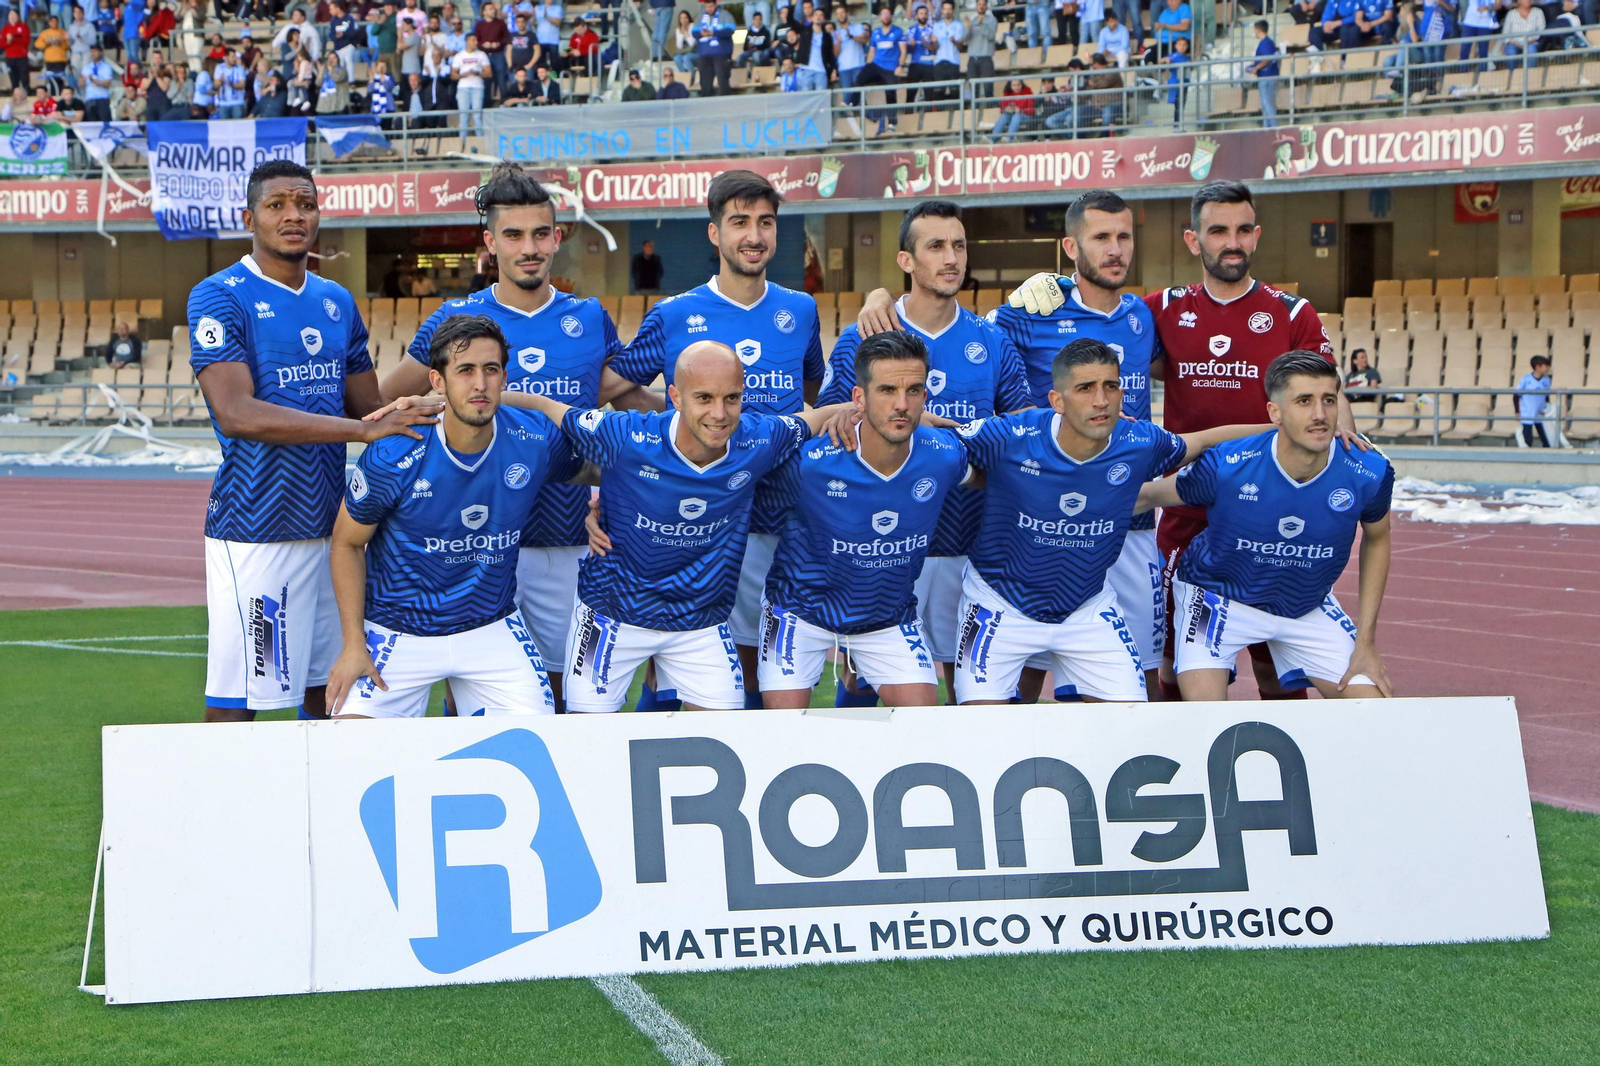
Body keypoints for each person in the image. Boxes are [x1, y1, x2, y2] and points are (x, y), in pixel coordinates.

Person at [1001, 180, 1355, 704]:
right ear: (1194, 241)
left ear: (1256, 237)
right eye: (1217, 231)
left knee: (1274, 653)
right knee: (1161, 653)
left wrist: (1344, 442)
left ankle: (1279, 774)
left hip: (1267, 501)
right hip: (1179, 502)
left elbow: (1329, 391)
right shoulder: (1158, 309)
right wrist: (1049, 282)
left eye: (1241, 231)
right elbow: (1050, 313)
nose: (1231, 242)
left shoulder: (1289, 312)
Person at [373, 164, 658, 710]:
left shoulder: (588, 316)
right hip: (470, 546)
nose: (529, 248)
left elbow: (625, 411)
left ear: (557, 237)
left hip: (564, 540)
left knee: (553, 698)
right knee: (468, 700)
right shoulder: (455, 317)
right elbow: (389, 409)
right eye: (513, 235)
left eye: (540, 234)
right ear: (490, 243)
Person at [186, 160, 439, 723]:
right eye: (277, 205)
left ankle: (323, 811)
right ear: (249, 217)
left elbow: (365, 407)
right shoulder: (219, 296)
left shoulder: (336, 301)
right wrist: (365, 429)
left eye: (304, 203)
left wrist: (435, 402)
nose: (293, 215)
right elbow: (237, 414)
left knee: (331, 692)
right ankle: (230, 810)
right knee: (242, 702)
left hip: (333, 532)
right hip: (258, 531)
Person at [515, 342, 846, 713]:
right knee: (588, 737)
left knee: (725, 737)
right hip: (613, 615)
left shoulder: (759, 439)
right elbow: (550, 408)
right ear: (675, 396)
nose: (719, 413)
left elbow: (812, 420)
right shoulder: (624, 434)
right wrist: (482, 401)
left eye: (731, 398)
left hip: (700, 622)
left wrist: (857, 410)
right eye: (704, 397)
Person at [610, 170, 827, 710]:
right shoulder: (675, 314)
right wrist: (667, 424)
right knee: (674, 677)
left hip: (784, 523)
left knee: (754, 680)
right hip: (697, 528)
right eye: (739, 223)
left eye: (765, 223)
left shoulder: (799, 310)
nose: (753, 236)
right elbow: (608, 388)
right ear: (714, 233)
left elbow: (809, 399)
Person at [952, 339, 1263, 705]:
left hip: (1087, 607)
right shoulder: (1008, 436)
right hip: (997, 603)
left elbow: (1203, 442)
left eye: (1110, 386)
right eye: (1085, 388)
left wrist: (1285, 429)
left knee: (1131, 724)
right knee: (977, 727)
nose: (1101, 400)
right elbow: (932, 446)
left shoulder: (1139, 442)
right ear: (1057, 401)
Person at [822, 201, 1031, 700]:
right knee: (868, 684)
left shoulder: (992, 340)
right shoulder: (863, 337)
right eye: (935, 246)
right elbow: (828, 428)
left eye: (958, 245)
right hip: (883, 544)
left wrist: (966, 436)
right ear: (906, 261)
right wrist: (913, 427)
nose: (951, 258)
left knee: (974, 684)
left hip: (971, 543)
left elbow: (1022, 429)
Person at [328, 315, 580, 718]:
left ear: (503, 377)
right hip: (398, 628)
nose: (480, 384)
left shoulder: (532, 438)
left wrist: (601, 505)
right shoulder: (395, 452)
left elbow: (599, 470)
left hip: (488, 625)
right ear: (437, 381)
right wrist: (354, 644)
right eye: (465, 371)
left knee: (540, 738)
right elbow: (347, 543)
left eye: (490, 370)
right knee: (350, 747)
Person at [973, 191, 1165, 699]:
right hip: (1043, 523)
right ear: (1071, 247)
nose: (1115, 249)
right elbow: (956, 338)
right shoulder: (1029, 313)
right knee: (1027, 676)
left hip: (1131, 519)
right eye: (1100, 237)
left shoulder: (1142, 317)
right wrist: (885, 298)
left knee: (1140, 677)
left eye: (1123, 236)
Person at [1147, 350, 1396, 701]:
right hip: (1216, 597)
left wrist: (1366, 642)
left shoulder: (1369, 470)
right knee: (1204, 715)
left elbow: (1378, 539)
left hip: (1304, 605)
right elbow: (1147, 497)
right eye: (1304, 401)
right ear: (1274, 412)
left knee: (1376, 708)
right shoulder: (1230, 463)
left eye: (1328, 400)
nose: (1320, 414)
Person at [755, 331, 967, 709]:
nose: (901, 405)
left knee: (925, 727)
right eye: (887, 390)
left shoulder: (946, 454)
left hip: (889, 618)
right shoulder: (809, 461)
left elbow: (1014, 466)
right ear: (858, 398)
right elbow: (729, 476)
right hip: (800, 611)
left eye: (914, 391)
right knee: (782, 731)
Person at [858, 4, 906, 133]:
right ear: (880, 17)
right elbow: (872, 52)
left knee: (891, 93)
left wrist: (900, 66)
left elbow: (903, 50)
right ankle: (855, 105)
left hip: (891, 67)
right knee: (860, 78)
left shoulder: (898, 31)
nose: (885, 16)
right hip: (876, 65)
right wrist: (868, 66)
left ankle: (891, 122)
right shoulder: (876, 33)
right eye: (883, 14)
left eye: (888, 14)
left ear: (891, 17)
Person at [1074, 51, 1122, 135]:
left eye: (1092, 65)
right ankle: (1080, 137)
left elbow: (1105, 83)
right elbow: (1089, 88)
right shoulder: (1094, 75)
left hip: (1115, 105)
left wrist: (1093, 83)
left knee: (1108, 110)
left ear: (1098, 63)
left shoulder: (1112, 71)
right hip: (1097, 107)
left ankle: (1104, 136)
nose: (1091, 67)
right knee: (1078, 111)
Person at [451, 32, 487, 138]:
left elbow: (489, 72)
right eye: (473, 40)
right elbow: (453, 74)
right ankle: (462, 141)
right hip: (463, 87)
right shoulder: (459, 56)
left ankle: (480, 139)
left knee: (477, 114)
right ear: (467, 42)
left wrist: (477, 73)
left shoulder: (481, 55)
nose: (476, 42)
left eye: (476, 40)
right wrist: (462, 75)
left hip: (477, 87)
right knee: (464, 115)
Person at [695, 0, 734, 95]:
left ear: (715, 5)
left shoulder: (725, 15)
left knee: (722, 80)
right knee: (705, 82)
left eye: (711, 6)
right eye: (707, 7)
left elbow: (731, 29)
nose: (709, 9)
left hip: (721, 53)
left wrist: (714, 33)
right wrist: (701, 33)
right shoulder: (700, 17)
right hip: (704, 54)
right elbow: (694, 32)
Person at [1516, 354, 1553, 446]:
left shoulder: (1547, 380)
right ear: (1538, 367)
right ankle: (1527, 457)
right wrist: (1517, 411)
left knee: (1545, 437)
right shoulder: (1525, 379)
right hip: (1528, 412)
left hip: (1540, 412)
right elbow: (1516, 395)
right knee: (1528, 439)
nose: (1548, 368)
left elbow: (1546, 395)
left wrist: (1547, 408)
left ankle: (1547, 457)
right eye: (1546, 366)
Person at [795, 6, 834, 92]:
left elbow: (830, 55)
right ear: (812, 17)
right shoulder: (805, 31)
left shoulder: (827, 36)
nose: (818, 17)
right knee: (806, 98)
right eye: (816, 15)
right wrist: (793, 5)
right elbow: (791, 21)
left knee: (821, 98)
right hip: (806, 69)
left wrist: (833, 69)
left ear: (824, 19)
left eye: (821, 15)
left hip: (821, 70)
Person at [964, 0, 997, 100]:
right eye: (979, 4)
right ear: (976, 6)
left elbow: (991, 36)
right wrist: (969, 28)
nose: (981, 6)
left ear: (986, 7)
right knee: (973, 89)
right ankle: (975, 112)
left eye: (983, 4)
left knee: (988, 88)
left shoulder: (992, 20)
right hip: (972, 58)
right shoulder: (972, 20)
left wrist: (982, 24)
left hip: (986, 58)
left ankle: (990, 111)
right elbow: (965, 39)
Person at [832, 3, 866, 97]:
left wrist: (851, 36)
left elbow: (864, 40)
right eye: (838, 14)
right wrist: (838, 42)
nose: (840, 15)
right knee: (847, 96)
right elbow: (835, 53)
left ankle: (861, 112)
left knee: (860, 96)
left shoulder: (858, 27)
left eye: (842, 12)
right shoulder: (836, 33)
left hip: (858, 65)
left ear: (847, 13)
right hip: (844, 68)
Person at [1251, 19, 1279, 127]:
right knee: (1265, 104)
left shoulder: (1266, 42)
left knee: (1267, 104)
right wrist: (1252, 67)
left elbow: (1267, 59)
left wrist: (1257, 67)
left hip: (1267, 77)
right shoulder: (1265, 43)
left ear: (1258, 30)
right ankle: (1266, 127)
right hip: (1264, 76)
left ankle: (1274, 127)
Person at [990, 77, 1033, 141]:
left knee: (1017, 116)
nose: (1016, 87)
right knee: (1004, 116)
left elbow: (1031, 110)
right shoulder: (1007, 93)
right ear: (1010, 86)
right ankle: (992, 140)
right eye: (1014, 85)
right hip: (1011, 116)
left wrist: (1020, 110)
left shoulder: (1028, 92)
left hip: (1025, 116)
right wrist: (1006, 109)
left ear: (1022, 84)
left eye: (1018, 85)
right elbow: (1002, 109)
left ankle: (1009, 138)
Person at [80, 43, 115, 121]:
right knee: (91, 123)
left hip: (102, 98)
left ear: (100, 52)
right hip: (89, 98)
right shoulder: (87, 67)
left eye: (95, 51)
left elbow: (107, 84)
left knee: (104, 122)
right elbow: (80, 84)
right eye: (91, 51)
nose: (93, 54)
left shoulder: (106, 67)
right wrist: (83, 79)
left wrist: (94, 81)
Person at [38, 14, 68, 94]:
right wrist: (47, 43)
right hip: (49, 60)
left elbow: (68, 46)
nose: (54, 23)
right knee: (51, 80)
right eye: (52, 21)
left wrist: (61, 43)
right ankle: (53, 95)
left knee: (60, 80)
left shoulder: (63, 32)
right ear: (49, 23)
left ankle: (61, 95)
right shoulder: (45, 33)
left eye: (55, 21)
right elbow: (38, 44)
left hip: (60, 59)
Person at [1, 9, 28, 94]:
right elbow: (1, 44)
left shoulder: (23, 26)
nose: (12, 17)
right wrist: (8, 42)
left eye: (14, 15)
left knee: (24, 76)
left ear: (18, 17)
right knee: (13, 76)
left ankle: (26, 92)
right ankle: (15, 93)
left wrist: (13, 39)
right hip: (10, 57)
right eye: (10, 15)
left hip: (21, 56)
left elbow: (26, 41)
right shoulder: (6, 28)